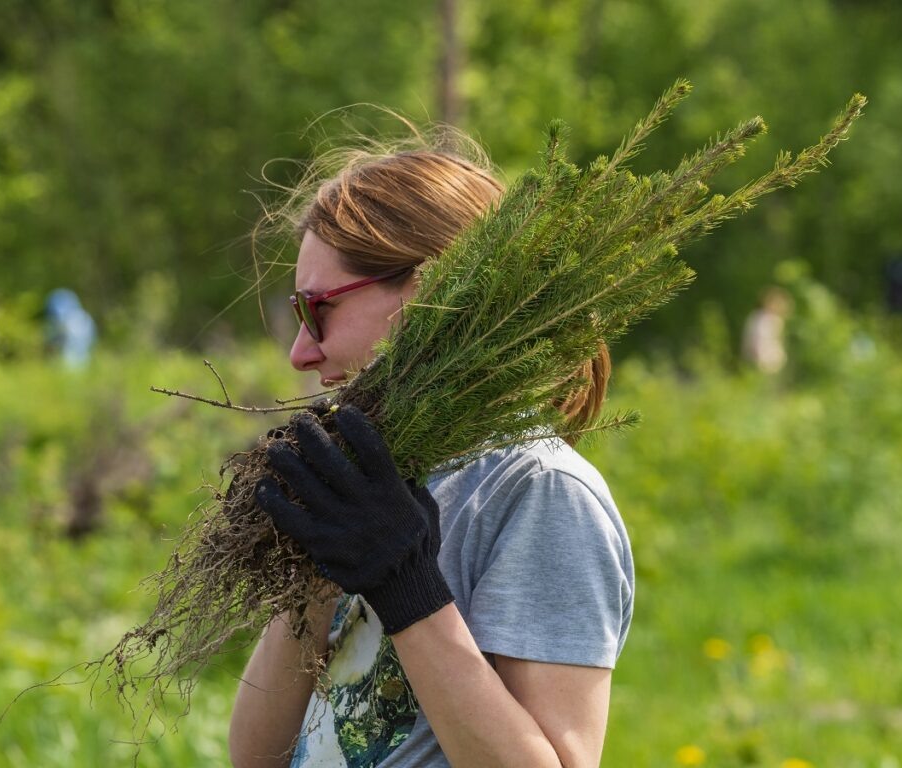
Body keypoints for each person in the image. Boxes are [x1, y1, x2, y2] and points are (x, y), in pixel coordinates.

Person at [229, 136, 633, 768]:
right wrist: (310, 571)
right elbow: (256, 757)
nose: (301, 354)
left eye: (319, 310)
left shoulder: (539, 491)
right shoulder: (377, 482)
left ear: (433, 290)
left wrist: (406, 588)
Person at [741, 286, 791, 374]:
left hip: (770, 363)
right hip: (763, 363)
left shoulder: (773, 320)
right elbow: (758, 343)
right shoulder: (761, 320)